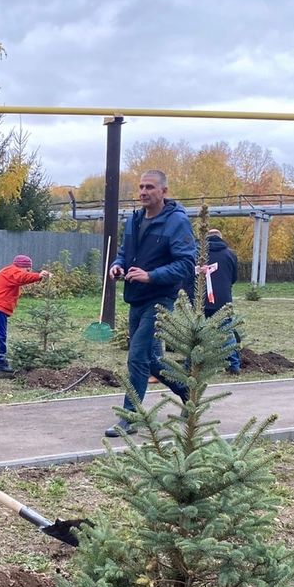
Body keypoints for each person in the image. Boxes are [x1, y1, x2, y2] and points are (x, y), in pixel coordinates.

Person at [104, 169, 196, 437]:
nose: (143, 192)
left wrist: (151, 276)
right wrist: (118, 266)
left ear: (164, 192)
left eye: (150, 187)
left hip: (160, 298)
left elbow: (186, 264)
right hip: (136, 298)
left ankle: (130, 417)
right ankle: (190, 393)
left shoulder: (176, 222)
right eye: (141, 187)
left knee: (137, 357)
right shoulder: (134, 220)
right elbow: (124, 253)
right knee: (152, 360)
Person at [0, 254, 49, 373]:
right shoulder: (12, 272)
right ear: (21, 266)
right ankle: (0, 364)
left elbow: (22, 277)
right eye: (28, 269)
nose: (29, 271)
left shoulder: (10, 272)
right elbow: (22, 277)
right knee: (0, 335)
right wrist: (38, 276)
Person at [196, 227, 241, 373]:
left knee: (198, 332)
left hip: (200, 299)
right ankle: (233, 365)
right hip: (223, 300)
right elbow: (234, 278)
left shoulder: (199, 254)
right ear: (220, 238)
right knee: (226, 331)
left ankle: (197, 366)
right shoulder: (230, 254)